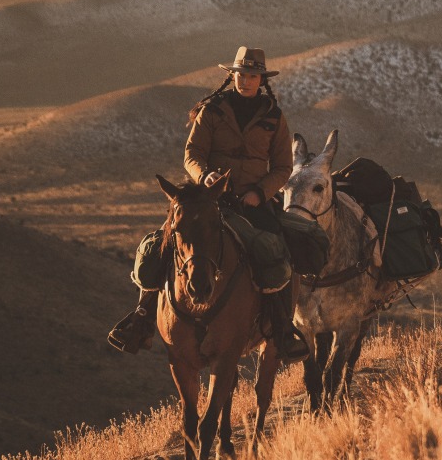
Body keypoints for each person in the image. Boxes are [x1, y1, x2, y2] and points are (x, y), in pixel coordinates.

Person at [108, 46, 309, 362]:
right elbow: (192, 154)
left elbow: (283, 167)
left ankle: (281, 327)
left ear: (261, 79)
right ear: (233, 76)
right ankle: (142, 316)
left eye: (252, 76)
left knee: (277, 248)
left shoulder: (274, 117)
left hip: (254, 201)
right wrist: (206, 177)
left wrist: (260, 192)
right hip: (207, 197)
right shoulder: (213, 110)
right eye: (241, 75)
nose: (246, 81)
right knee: (162, 243)